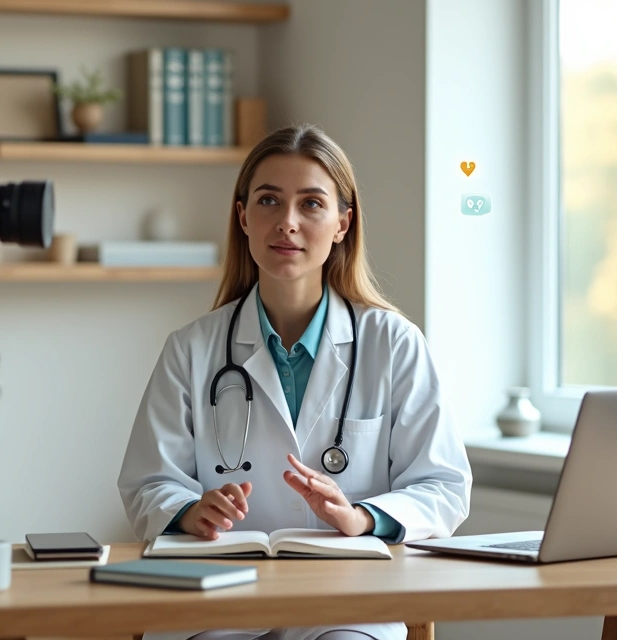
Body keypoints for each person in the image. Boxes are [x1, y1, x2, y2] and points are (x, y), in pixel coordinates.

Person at [117, 123, 473, 640]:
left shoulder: (392, 342)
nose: (286, 222)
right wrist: (189, 511)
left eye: (311, 204)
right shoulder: (191, 348)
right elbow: (147, 482)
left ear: (342, 224)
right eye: (268, 201)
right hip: (221, 592)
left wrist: (362, 517)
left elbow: (444, 486)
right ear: (243, 216)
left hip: (348, 597)